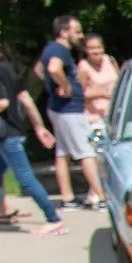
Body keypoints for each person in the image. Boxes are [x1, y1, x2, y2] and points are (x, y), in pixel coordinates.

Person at [0, 28, 65, 237]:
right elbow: (24, 98)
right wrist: (39, 126)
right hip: (11, 131)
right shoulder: (6, 68)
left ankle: (54, 219)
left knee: (25, 177)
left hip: (6, 133)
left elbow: (2, 102)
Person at [42, 15, 102, 210]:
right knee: (87, 152)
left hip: (59, 108)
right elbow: (53, 68)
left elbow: (38, 69)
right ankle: (102, 197)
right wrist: (65, 85)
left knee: (62, 153)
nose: (81, 35)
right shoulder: (59, 49)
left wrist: (54, 86)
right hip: (69, 110)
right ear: (64, 32)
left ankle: (67, 198)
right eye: (77, 31)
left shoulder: (51, 49)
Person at [77, 33, 119, 125]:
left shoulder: (110, 60)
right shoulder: (83, 66)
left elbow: (120, 82)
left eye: (98, 47)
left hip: (116, 113)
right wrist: (101, 94)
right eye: (91, 48)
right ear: (85, 49)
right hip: (95, 118)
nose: (96, 51)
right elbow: (78, 93)